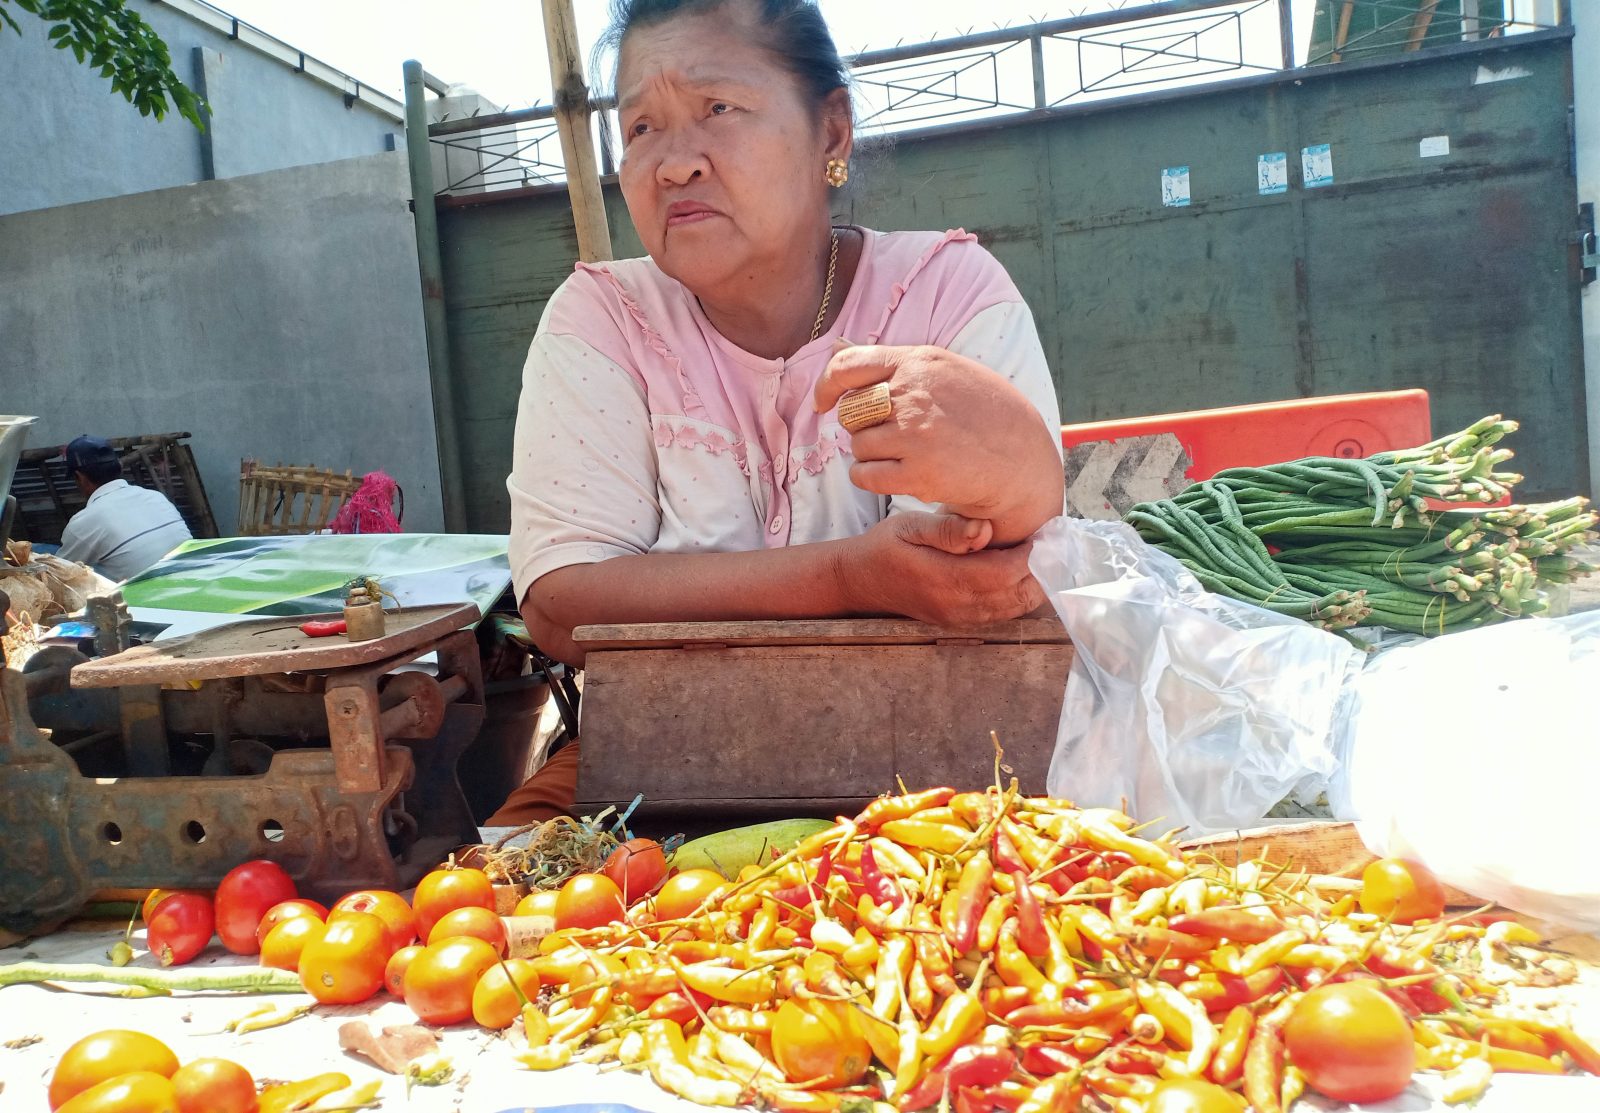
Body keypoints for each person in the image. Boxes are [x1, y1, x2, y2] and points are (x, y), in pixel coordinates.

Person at [489, 0, 1065, 823]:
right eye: (643, 127)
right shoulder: (604, 318)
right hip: (654, 771)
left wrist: (1022, 475)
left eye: (718, 109)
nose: (672, 164)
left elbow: (981, 573)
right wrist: (847, 574)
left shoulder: (946, 294)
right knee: (482, 913)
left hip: (940, 772)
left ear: (831, 133)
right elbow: (562, 603)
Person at [56, 436, 193, 581]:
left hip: (151, 598)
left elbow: (60, 576)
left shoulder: (84, 522)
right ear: (118, 467)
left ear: (80, 477)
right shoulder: (155, 497)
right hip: (195, 581)